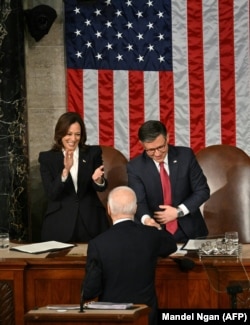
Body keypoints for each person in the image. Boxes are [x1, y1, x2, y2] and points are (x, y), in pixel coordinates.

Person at [82, 186, 177, 325]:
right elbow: (171, 244)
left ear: (109, 209)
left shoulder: (98, 244)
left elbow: (90, 291)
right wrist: (156, 228)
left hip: (111, 317)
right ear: (135, 209)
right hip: (146, 315)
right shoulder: (151, 236)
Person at [127, 120, 210, 243]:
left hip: (190, 230)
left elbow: (202, 191)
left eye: (161, 147)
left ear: (168, 138)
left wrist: (179, 211)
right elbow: (139, 201)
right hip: (154, 232)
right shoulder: (135, 167)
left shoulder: (185, 156)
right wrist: (146, 220)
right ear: (142, 144)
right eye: (150, 150)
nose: (157, 153)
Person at [38, 112, 110, 243]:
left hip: (91, 219)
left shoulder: (93, 153)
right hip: (60, 222)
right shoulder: (47, 158)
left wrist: (98, 180)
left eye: (77, 134)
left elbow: (101, 187)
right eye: (68, 134)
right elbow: (51, 193)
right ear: (60, 134)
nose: (73, 139)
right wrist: (65, 171)